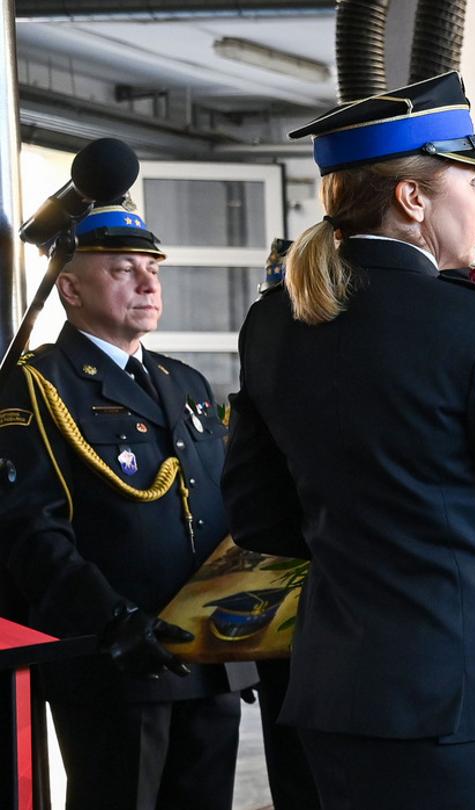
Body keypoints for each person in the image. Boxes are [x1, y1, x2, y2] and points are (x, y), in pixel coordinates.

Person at [223, 72, 475, 810]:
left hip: (337, 689)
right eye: (471, 182)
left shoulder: (273, 321)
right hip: (469, 692)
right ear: (413, 199)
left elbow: (256, 514)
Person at [0, 199, 256, 810]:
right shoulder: (38, 384)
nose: (147, 283)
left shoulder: (185, 382)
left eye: (153, 269)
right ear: (70, 288)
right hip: (116, 660)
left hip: (208, 657)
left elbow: (218, 511)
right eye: (122, 270)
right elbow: (30, 529)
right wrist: (111, 619)